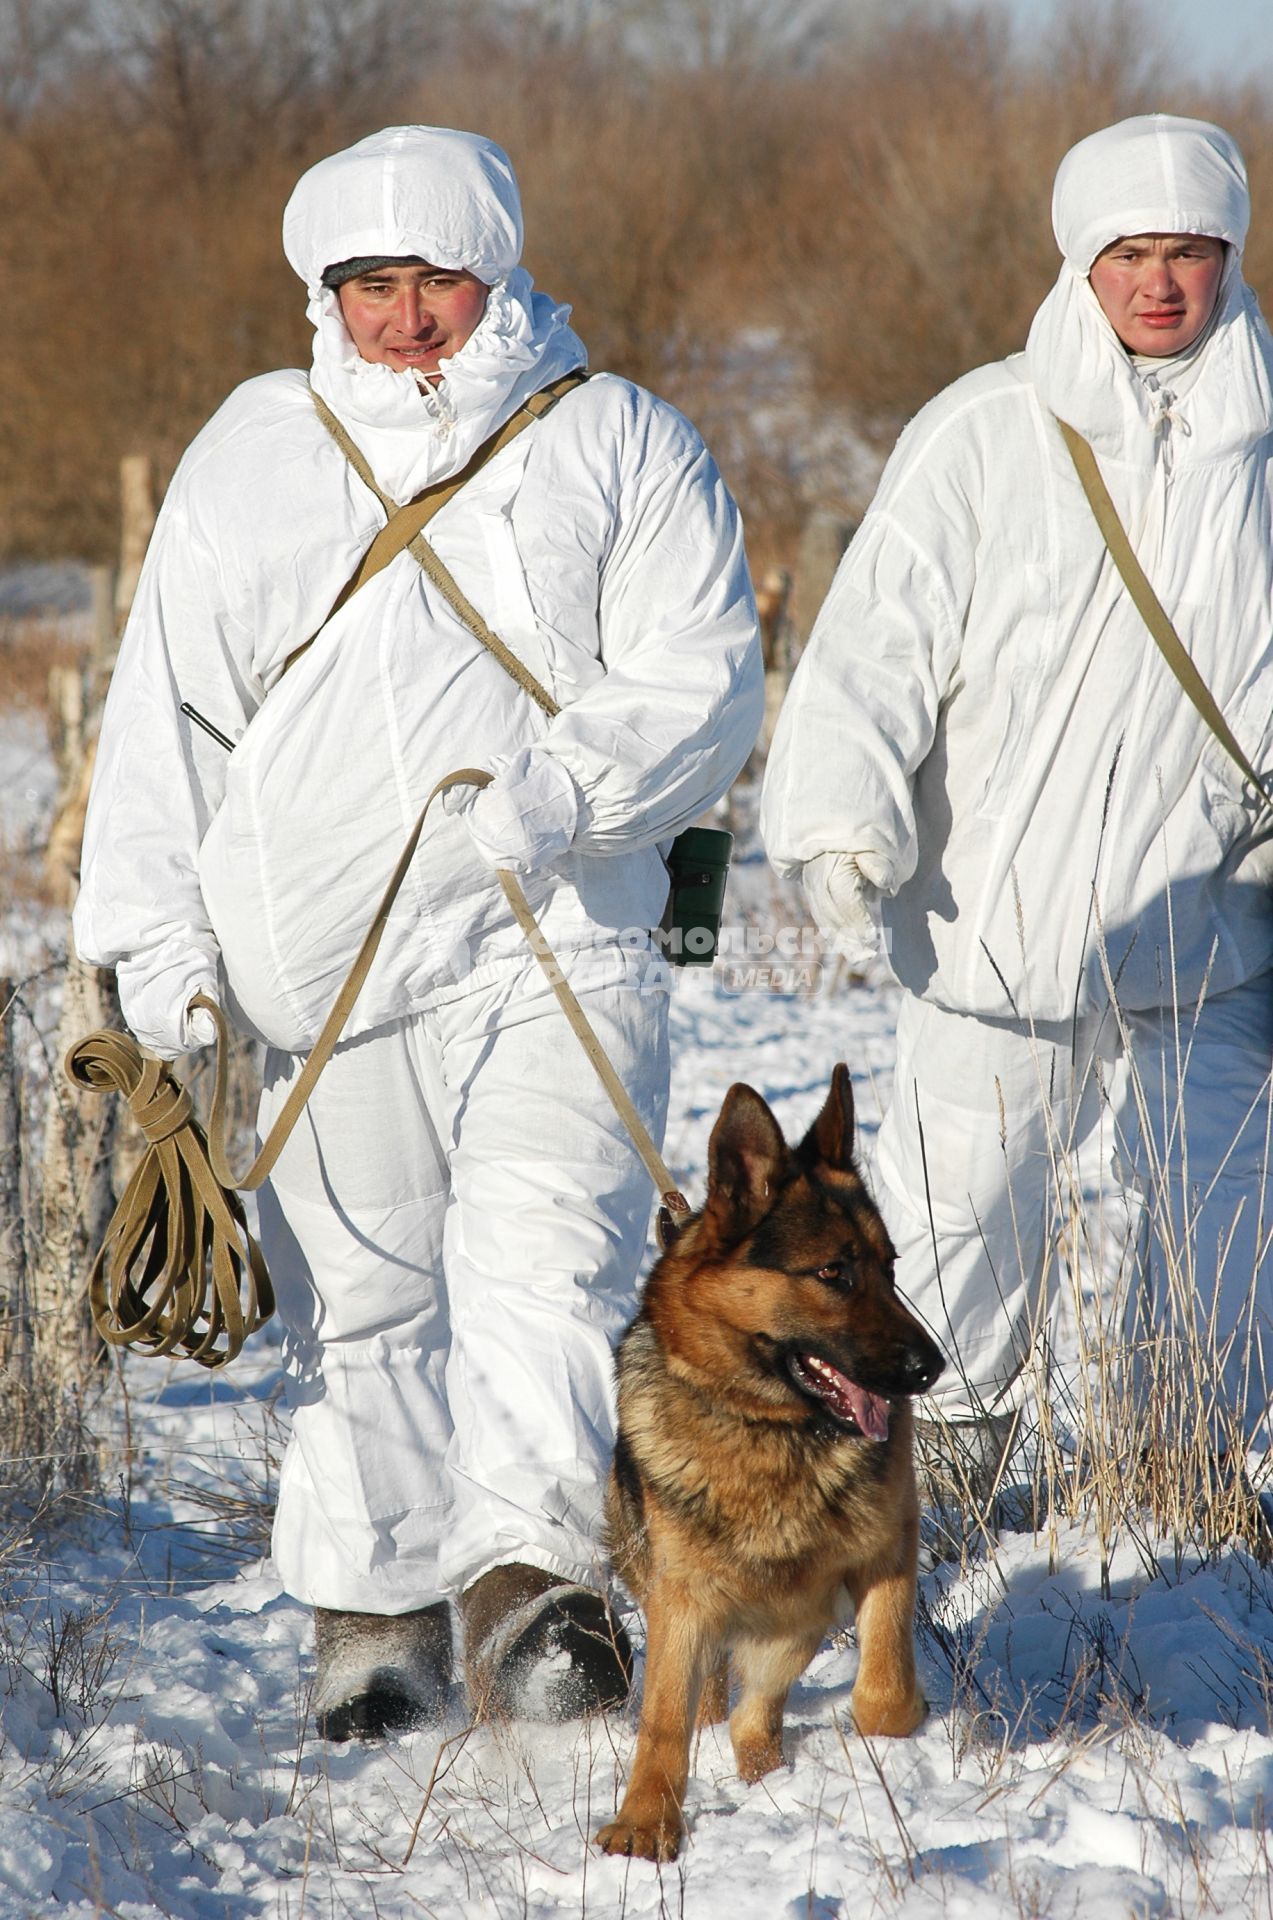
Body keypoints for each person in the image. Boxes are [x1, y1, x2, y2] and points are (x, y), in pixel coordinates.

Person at [75, 125, 762, 1736]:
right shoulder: (251, 448)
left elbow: (701, 678)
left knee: (542, 1252)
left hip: (554, 928)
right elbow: (169, 716)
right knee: (359, 1299)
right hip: (314, 960)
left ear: (497, 268)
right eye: (367, 283)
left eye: (434, 278)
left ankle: (529, 1591)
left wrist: (563, 797)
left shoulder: (619, 441)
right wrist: (160, 956)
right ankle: (372, 1617)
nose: (402, 316)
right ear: (324, 288)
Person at [761, 114, 1273, 1497]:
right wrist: (836, 821)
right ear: (1078, 261)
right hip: (998, 912)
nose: (1158, 283)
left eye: (1188, 251)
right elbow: (876, 642)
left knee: (1220, 1218)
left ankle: (1185, 1472)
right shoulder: (985, 429)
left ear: (1229, 256)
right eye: (1128, 253)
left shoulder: (1268, 440)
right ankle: (937, 1477)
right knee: (957, 1216)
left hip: (1213, 918)